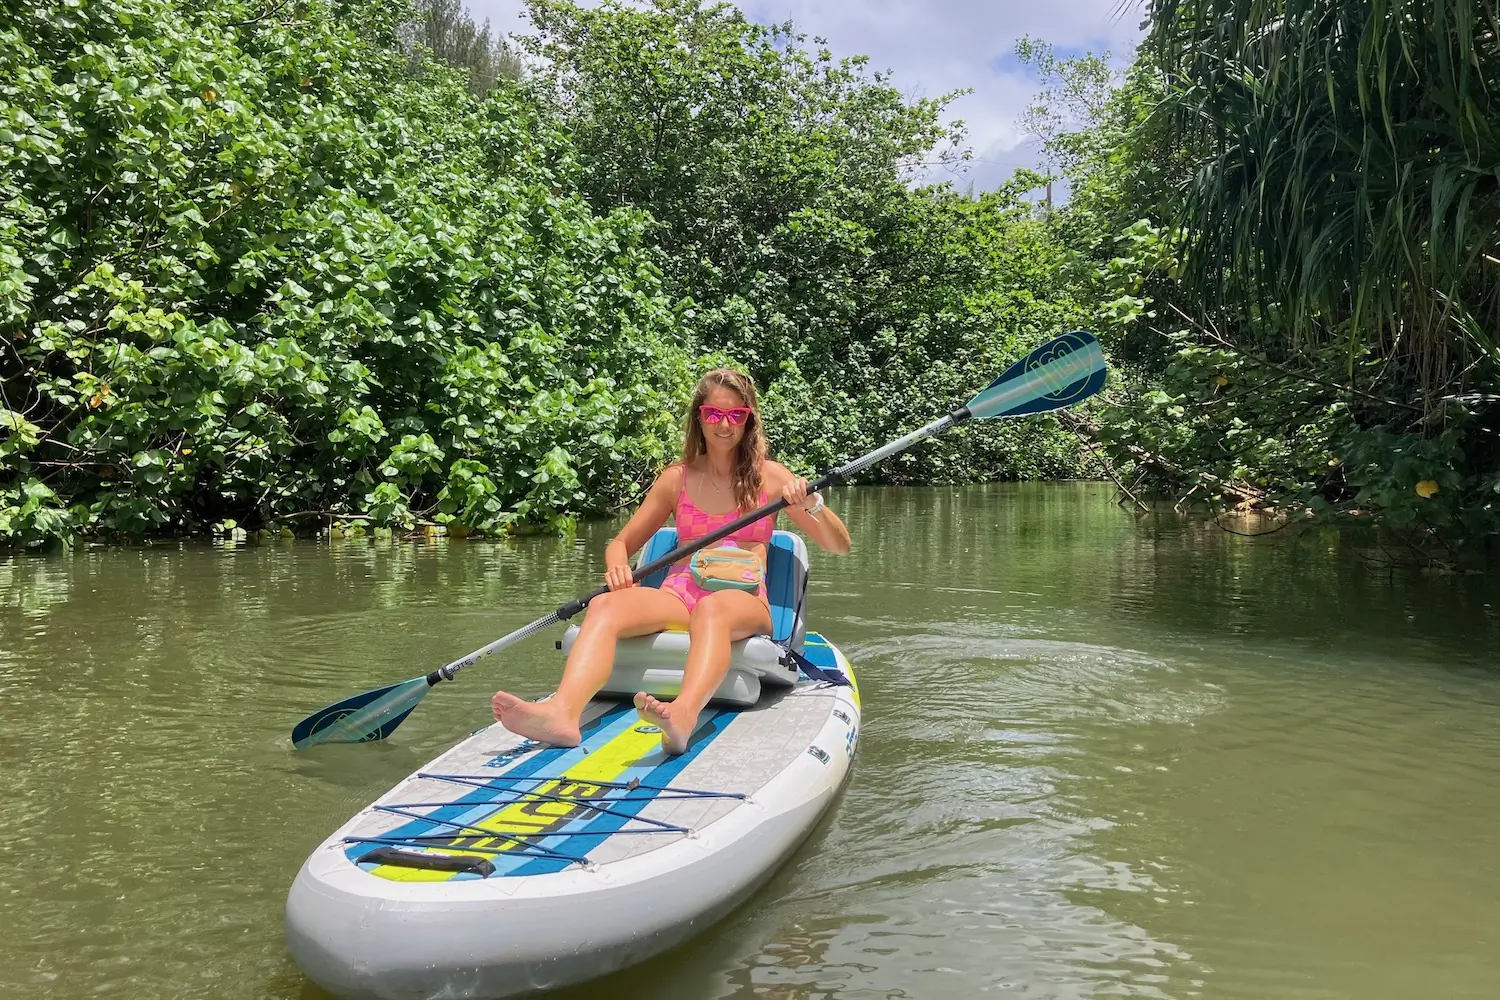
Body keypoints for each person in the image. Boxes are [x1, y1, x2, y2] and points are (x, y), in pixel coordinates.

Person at [490, 368, 852, 754]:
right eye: (714, 414)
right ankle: (562, 714)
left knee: (711, 610)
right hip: (679, 593)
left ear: (749, 419)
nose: (724, 425)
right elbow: (622, 542)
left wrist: (812, 504)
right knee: (605, 605)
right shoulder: (676, 478)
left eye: (736, 416)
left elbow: (839, 545)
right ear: (699, 416)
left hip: (742, 599)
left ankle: (682, 715)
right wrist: (617, 564)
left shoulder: (772, 478)